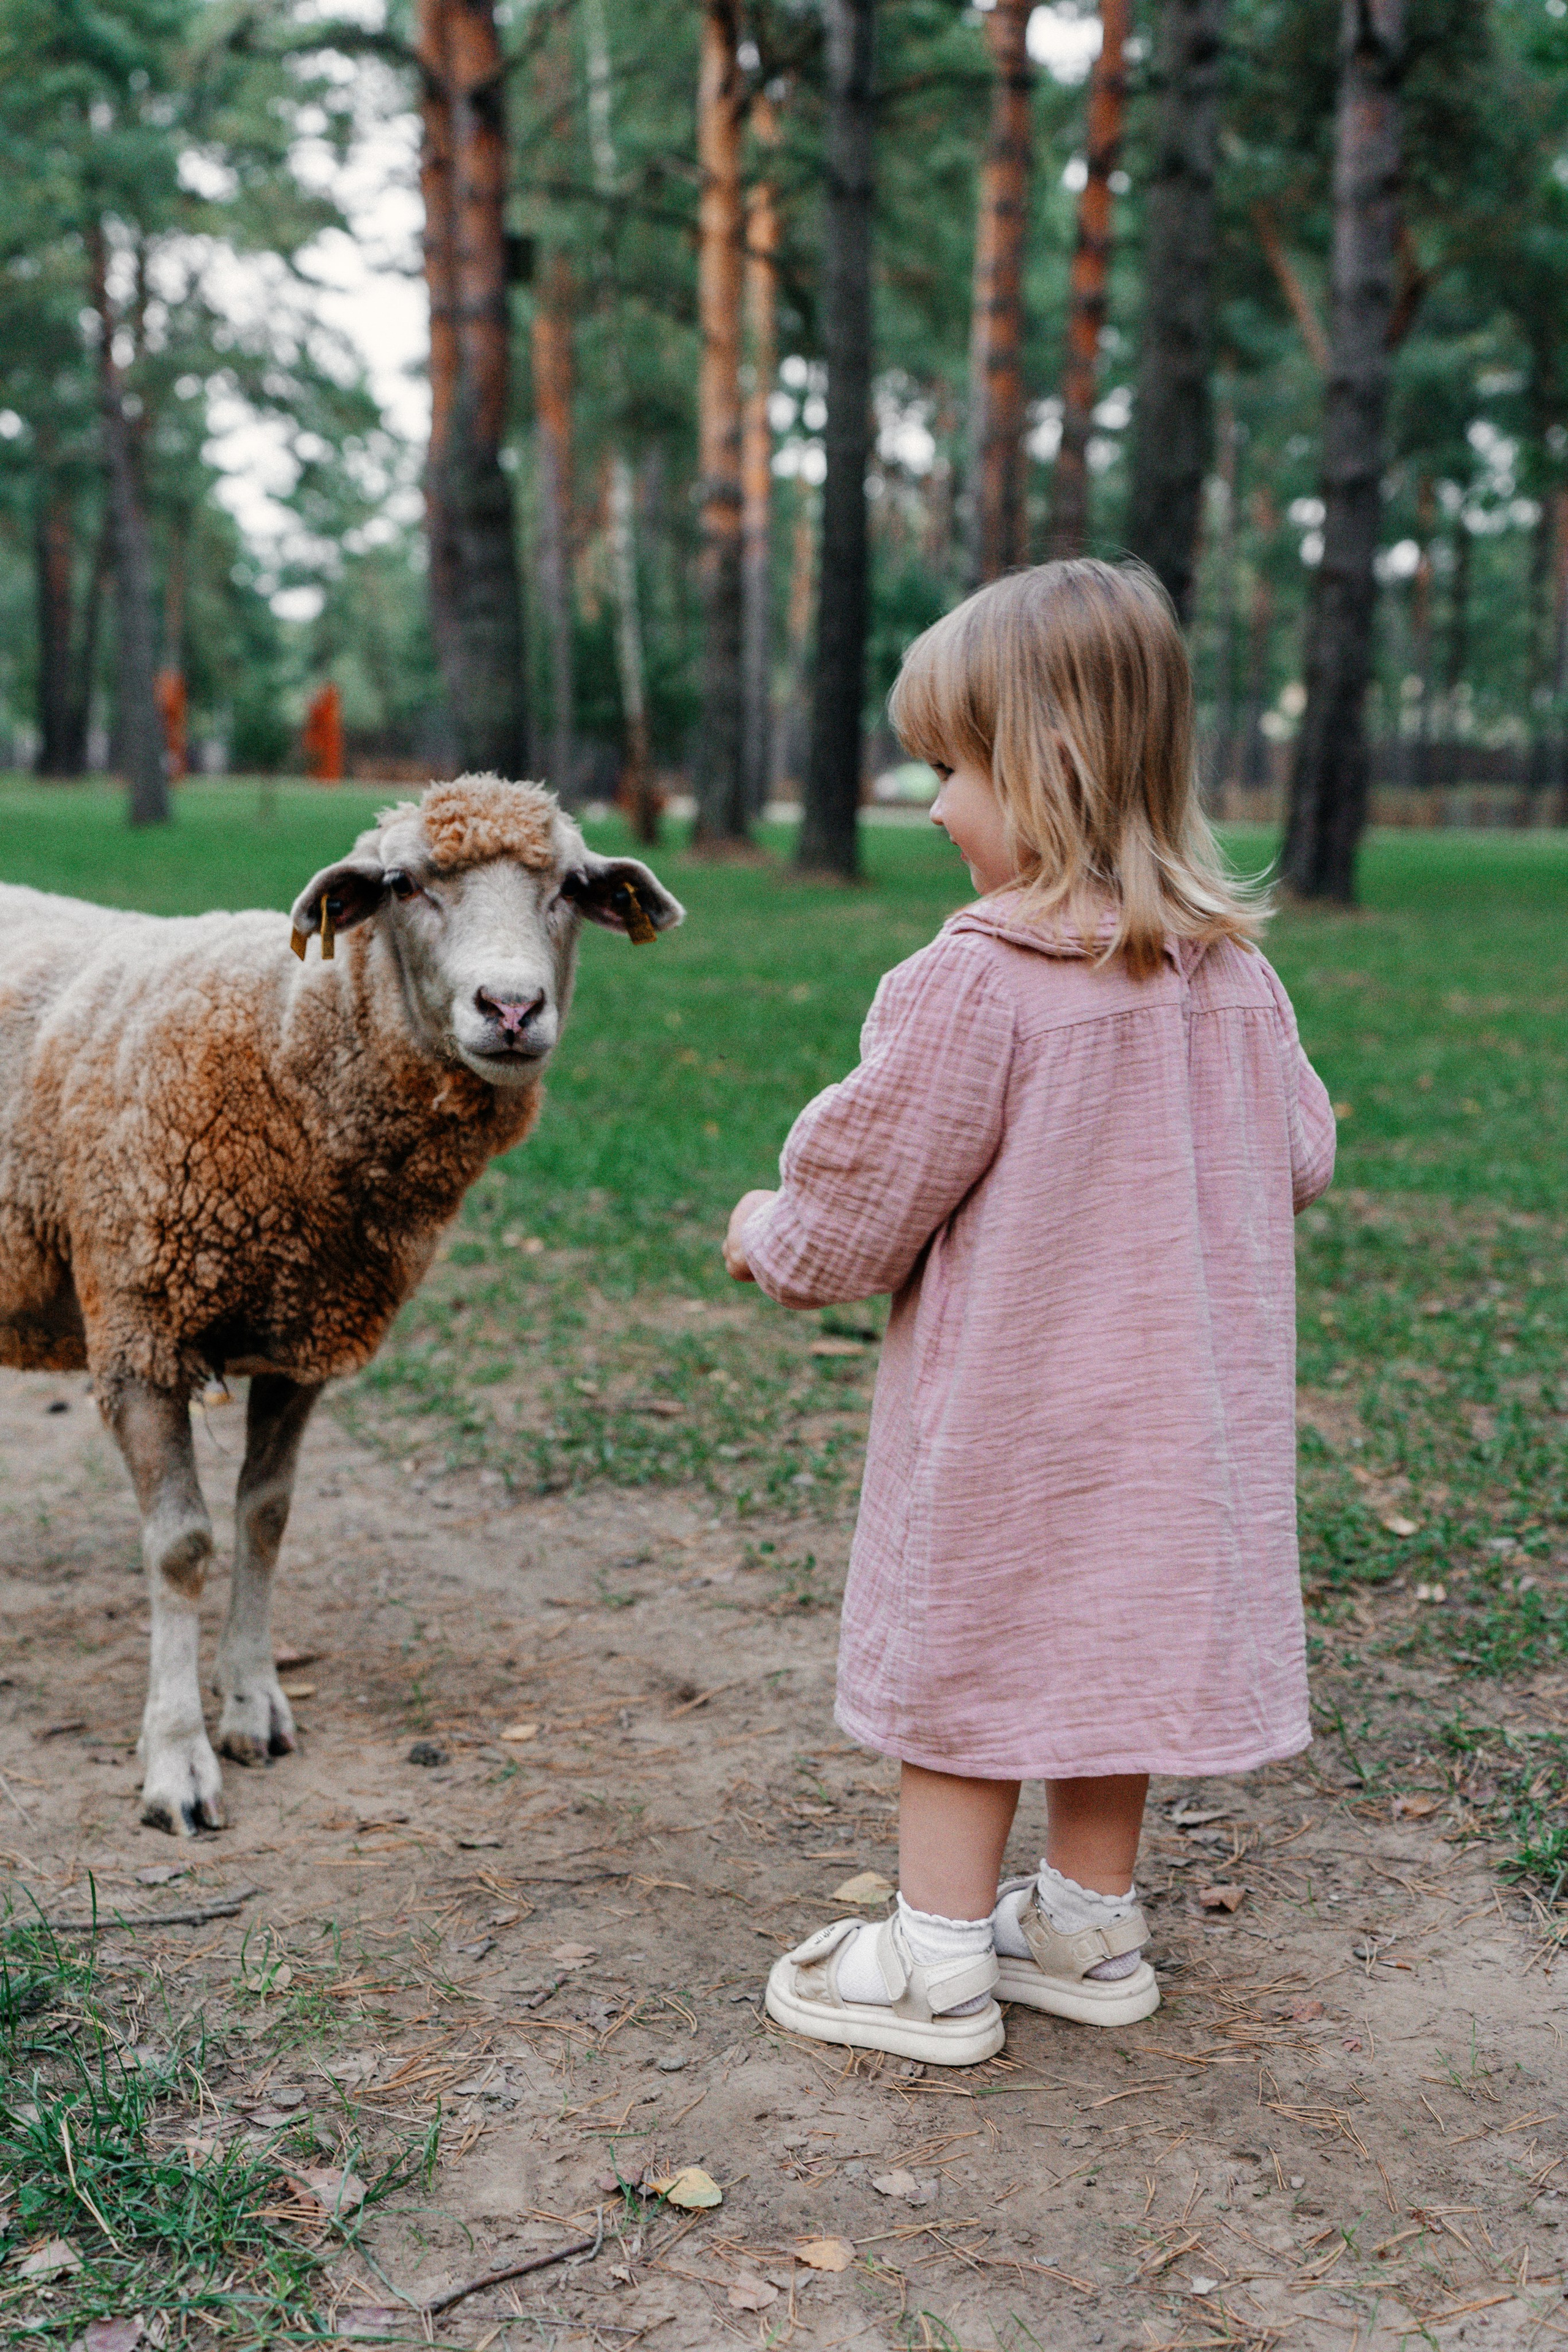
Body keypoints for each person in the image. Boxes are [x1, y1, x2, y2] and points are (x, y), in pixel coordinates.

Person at [723, 559, 1335, 2068]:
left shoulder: (977, 983)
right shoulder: (1233, 977)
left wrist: (766, 1232)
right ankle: (1082, 1926)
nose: (932, 804)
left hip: (1016, 1427)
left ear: (1046, 765)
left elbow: (860, 1208)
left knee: (973, 1656)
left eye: (951, 766)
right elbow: (1303, 1154)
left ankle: (932, 1963)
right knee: (1106, 1650)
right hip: (1175, 1428)